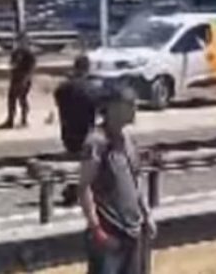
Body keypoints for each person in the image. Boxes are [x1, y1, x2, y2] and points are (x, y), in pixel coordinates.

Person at [79, 83, 155, 274]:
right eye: (129, 103)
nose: (134, 108)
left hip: (133, 230)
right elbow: (84, 187)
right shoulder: (97, 141)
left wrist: (147, 214)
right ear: (112, 106)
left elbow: (136, 179)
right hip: (109, 231)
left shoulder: (128, 140)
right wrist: (96, 229)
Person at [55, 55, 104, 206]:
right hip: (86, 134)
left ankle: (74, 190)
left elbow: (58, 100)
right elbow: (100, 108)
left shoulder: (63, 88)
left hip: (67, 133)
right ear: (87, 68)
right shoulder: (92, 88)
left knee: (81, 162)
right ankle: (77, 190)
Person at [0, 32, 36, 129]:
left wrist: (25, 79)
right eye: (18, 41)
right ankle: (11, 119)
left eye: (21, 41)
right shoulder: (16, 53)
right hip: (16, 77)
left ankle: (23, 119)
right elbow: (12, 64)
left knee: (22, 99)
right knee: (12, 99)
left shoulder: (29, 53)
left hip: (24, 78)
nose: (19, 43)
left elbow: (31, 69)